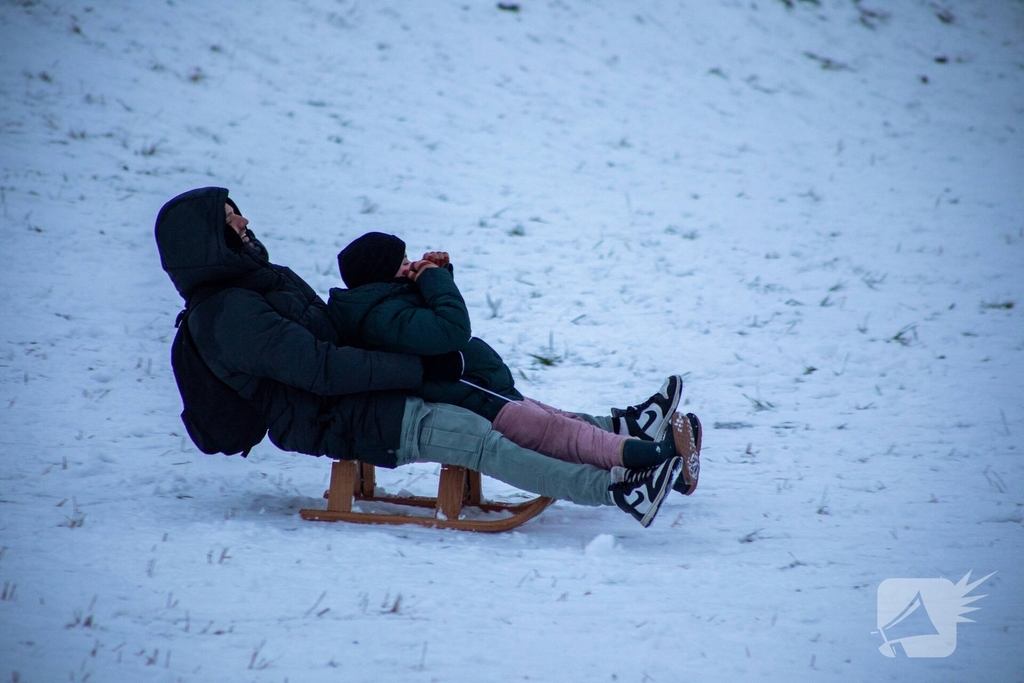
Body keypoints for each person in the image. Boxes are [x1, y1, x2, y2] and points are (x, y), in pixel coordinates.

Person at [154, 187, 700, 527]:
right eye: (229, 220)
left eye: (238, 213)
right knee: (481, 436)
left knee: (502, 408)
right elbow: (319, 367)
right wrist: (421, 367)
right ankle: (617, 488)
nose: (244, 223)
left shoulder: (256, 284)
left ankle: (630, 441)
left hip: (364, 397)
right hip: (340, 417)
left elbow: (333, 335)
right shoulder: (228, 314)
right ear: (206, 243)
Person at [327, 231, 701, 493]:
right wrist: (434, 281)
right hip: (473, 400)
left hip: (480, 390)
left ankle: (652, 446)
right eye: (403, 263)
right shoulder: (382, 318)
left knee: (561, 424)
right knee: (566, 438)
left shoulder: (383, 309)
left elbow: (427, 329)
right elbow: (451, 329)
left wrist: (439, 276)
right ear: (380, 275)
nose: (411, 267)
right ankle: (658, 457)